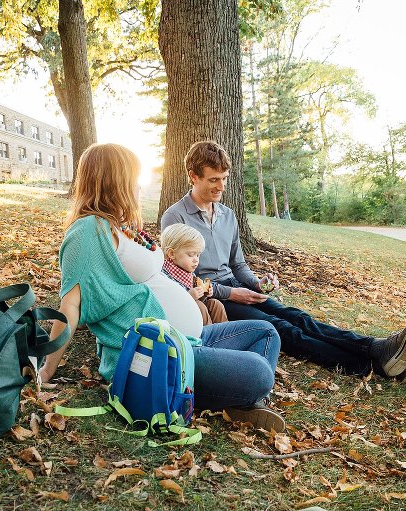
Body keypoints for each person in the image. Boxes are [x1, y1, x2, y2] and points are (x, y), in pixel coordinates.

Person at [39, 143, 285, 432]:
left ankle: (241, 402)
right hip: (157, 354)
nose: (138, 185)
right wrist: (47, 369)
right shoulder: (87, 232)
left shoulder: (119, 226)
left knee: (266, 332)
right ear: (114, 180)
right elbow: (71, 305)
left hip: (189, 339)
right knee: (258, 374)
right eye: (133, 177)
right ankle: (231, 396)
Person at [161, 140, 406, 382]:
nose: (221, 186)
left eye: (224, 178)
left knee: (297, 316)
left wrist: (257, 282)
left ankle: (377, 348)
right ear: (193, 176)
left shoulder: (228, 215)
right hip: (211, 299)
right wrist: (233, 293)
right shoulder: (175, 218)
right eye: (213, 180)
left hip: (236, 287)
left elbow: (237, 265)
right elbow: (177, 276)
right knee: (285, 330)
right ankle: (372, 366)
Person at [160, 223, 228, 325]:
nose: (196, 260)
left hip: (192, 312)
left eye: (198, 255)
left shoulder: (189, 274)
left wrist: (204, 294)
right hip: (178, 319)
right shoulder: (164, 276)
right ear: (172, 254)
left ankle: (226, 332)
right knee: (199, 306)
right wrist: (189, 297)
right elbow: (169, 304)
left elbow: (200, 300)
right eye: (191, 255)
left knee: (215, 304)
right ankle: (211, 337)